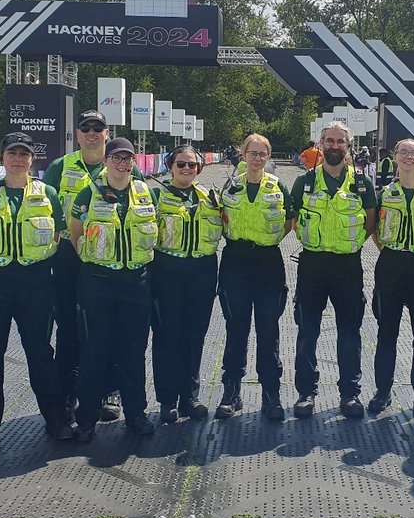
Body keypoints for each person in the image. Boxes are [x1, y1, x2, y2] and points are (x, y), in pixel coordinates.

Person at [0, 132, 71, 448]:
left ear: (32, 159)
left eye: (24, 154)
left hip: (36, 283)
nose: (18, 159)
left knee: (41, 353)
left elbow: (58, 233)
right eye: (12, 153)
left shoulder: (48, 193)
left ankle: (56, 419)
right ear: (1, 158)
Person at [69, 137, 158, 440]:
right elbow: (76, 234)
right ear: (106, 161)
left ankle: (136, 415)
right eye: (117, 158)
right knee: (94, 352)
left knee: (133, 353)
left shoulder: (146, 193)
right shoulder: (87, 193)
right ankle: (86, 420)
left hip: (136, 282)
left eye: (128, 159)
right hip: (98, 283)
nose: (122, 164)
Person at [292, 122, 378, 418]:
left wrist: (346, 243)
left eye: (341, 142)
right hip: (312, 264)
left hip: (347, 266)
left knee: (349, 332)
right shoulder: (304, 182)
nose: (335, 146)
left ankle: (350, 394)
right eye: (330, 141)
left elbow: (370, 224)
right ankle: (306, 392)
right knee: (307, 331)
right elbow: (293, 221)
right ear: (321, 143)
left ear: (348, 146)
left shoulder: (363, 184)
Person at [215, 133, 295, 420]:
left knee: (268, 330)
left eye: (263, 153)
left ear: (268, 156)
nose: (258, 158)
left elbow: (290, 221)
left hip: (267, 263)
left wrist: (266, 239)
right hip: (235, 261)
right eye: (253, 152)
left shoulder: (278, 187)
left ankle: (271, 395)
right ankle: (231, 393)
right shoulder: (230, 186)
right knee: (236, 329)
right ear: (243, 154)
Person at [44, 110, 111, 424]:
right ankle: (67, 394)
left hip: (106, 261)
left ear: (107, 133)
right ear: (77, 133)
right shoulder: (61, 166)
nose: (92, 134)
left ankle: (109, 393)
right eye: (86, 128)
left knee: (106, 328)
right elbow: (46, 209)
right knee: (68, 328)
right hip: (69, 258)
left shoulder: (122, 164)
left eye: (98, 128)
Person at [369, 137, 414, 416]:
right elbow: (373, 229)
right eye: (404, 153)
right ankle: (383, 391)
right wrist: (392, 251)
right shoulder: (384, 193)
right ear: (396, 157)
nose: (409, 158)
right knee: (387, 333)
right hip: (391, 266)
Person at [150, 145, 222, 422]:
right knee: (167, 336)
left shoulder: (210, 197)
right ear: (170, 166)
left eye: (192, 165)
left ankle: (189, 397)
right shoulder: (155, 195)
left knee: (195, 336)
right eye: (181, 164)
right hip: (167, 269)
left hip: (202, 271)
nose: (187, 169)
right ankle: (167, 400)